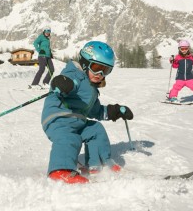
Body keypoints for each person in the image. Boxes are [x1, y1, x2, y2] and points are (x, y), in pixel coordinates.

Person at [41, 41, 134, 184]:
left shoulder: (91, 89)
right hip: (58, 119)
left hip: (77, 121)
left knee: (96, 130)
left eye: (106, 70)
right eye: (96, 68)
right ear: (84, 63)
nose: (100, 74)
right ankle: (60, 170)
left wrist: (115, 111)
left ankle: (97, 165)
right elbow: (67, 81)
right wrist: (62, 83)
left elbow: (96, 111)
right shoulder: (75, 75)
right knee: (70, 138)